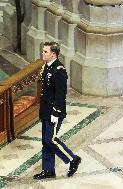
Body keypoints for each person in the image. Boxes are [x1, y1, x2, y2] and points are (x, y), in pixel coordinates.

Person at [33, 42, 81, 179]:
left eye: (45, 52)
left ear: (53, 54)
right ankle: (48, 170)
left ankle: (73, 159)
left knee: (51, 140)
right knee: (45, 141)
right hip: (45, 110)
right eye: (43, 51)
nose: (43, 53)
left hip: (54, 111)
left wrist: (56, 112)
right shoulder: (47, 67)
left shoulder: (58, 70)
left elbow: (61, 94)